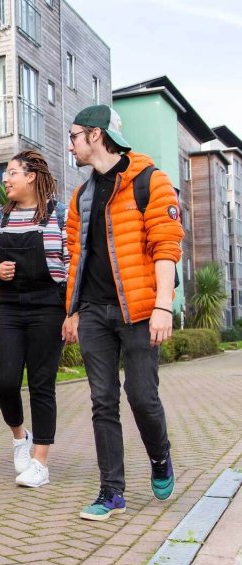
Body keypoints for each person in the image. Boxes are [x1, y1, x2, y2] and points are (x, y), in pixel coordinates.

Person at [61, 105, 184, 520]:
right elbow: (76, 256)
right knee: (102, 400)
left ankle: (160, 456)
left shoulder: (152, 182)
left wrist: (163, 306)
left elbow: (166, 247)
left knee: (141, 396)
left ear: (95, 135)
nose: (71, 143)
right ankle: (111, 491)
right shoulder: (81, 196)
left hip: (141, 309)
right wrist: (72, 310)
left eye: (75, 134)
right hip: (95, 311)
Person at [0, 150, 68, 489]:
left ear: (31, 176)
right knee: (6, 381)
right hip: (9, 305)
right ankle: (19, 436)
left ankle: (40, 462)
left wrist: (73, 313)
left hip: (48, 304)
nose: (6, 179)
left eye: (12, 173)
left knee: (42, 383)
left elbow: (72, 264)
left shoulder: (59, 215)